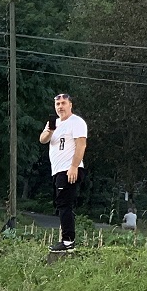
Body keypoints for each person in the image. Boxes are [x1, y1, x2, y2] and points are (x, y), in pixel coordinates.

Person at [39, 93, 88, 252]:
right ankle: (67, 240)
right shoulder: (54, 123)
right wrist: (50, 131)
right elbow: (43, 140)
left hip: (69, 169)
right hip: (57, 170)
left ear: (70, 104)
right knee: (61, 204)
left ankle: (68, 241)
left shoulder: (76, 122)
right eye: (58, 104)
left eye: (63, 103)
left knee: (64, 204)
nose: (60, 106)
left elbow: (81, 145)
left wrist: (74, 166)